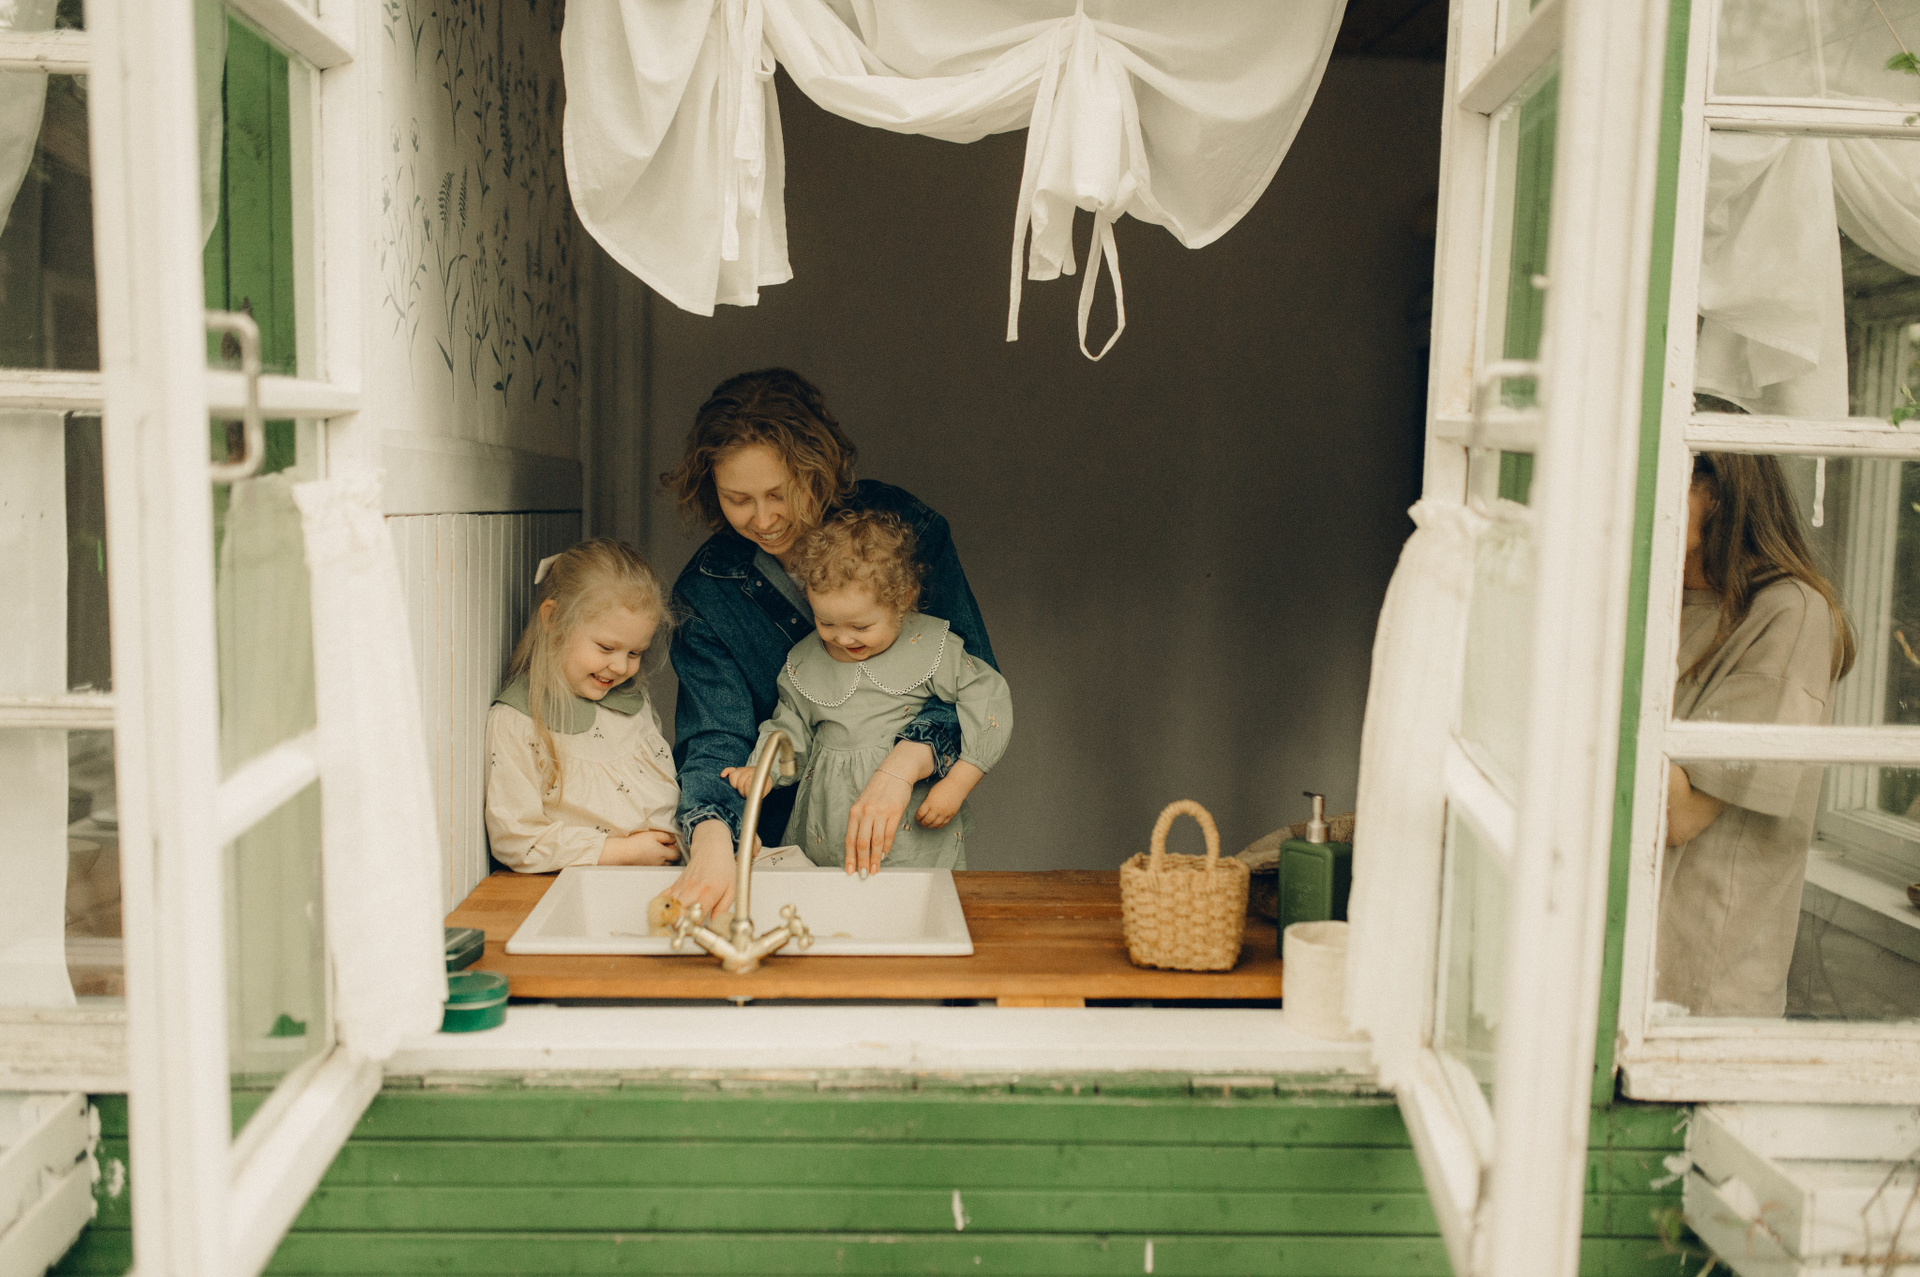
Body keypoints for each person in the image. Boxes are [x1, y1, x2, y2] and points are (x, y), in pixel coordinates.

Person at [662, 369, 999, 912]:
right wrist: (710, 839)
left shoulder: (908, 528)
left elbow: (973, 680)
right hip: (784, 851)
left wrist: (905, 763)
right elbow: (716, 739)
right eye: (737, 499)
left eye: (780, 493)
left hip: (908, 836)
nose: (764, 519)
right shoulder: (707, 592)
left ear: (816, 469)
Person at [1657, 452, 1856, 1016]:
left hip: (1701, 978)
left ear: (1717, 495)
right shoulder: (1662, 598)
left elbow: (1681, 816)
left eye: (1662, 481)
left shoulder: (1790, 614)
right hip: (1616, 946)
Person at [725, 510, 1013, 872]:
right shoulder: (805, 661)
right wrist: (763, 771)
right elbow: (789, 728)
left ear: (903, 599)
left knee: (913, 897)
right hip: (826, 825)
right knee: (829, 899)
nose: (843, 639)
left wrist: (959, 781)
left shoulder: (930, 645)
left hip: (910, 829)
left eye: (860, 626)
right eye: (826, 622)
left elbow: (988, 698)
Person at [484, 539, 683, 872]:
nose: (621, 666)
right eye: (606, 648)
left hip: (667, 874)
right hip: (596, 881)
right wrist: (621, 851)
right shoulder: (517, 722)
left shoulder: (631, 703)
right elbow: (516, 839)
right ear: (553, 619)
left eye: (635, 653)